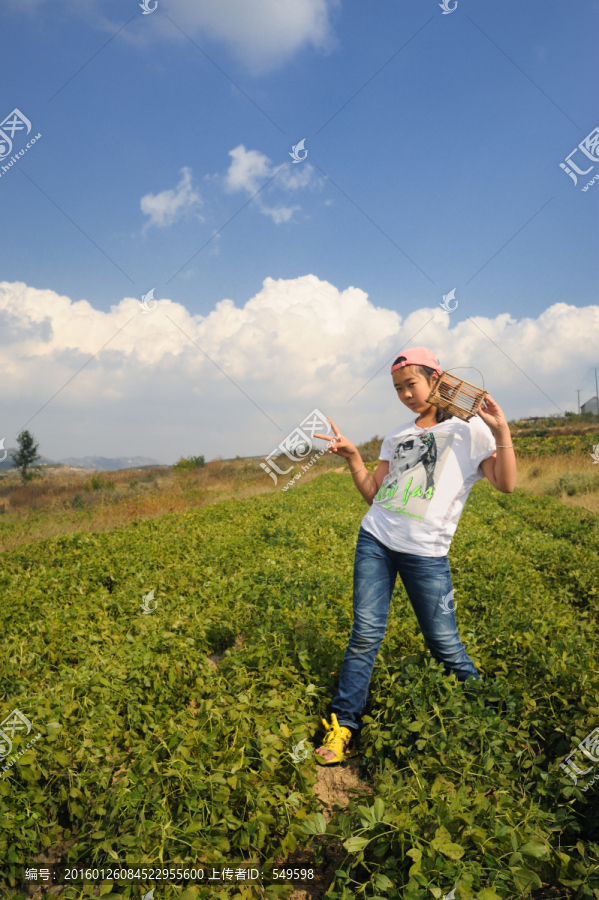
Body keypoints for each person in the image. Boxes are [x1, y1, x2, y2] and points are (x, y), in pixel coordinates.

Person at [312, 346, 517, 765]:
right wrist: (354, 456)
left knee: (444, 643)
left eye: (412, 384)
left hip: (426, 555)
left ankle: (492, 716)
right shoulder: (397, 437)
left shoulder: (471, 430)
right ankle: (343, 726)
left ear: (437, 380)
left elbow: (506, 484)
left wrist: (502, 431)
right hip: (376, 541)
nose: (406, 394)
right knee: (366, 634)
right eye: (398, 388)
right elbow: (375, 495)